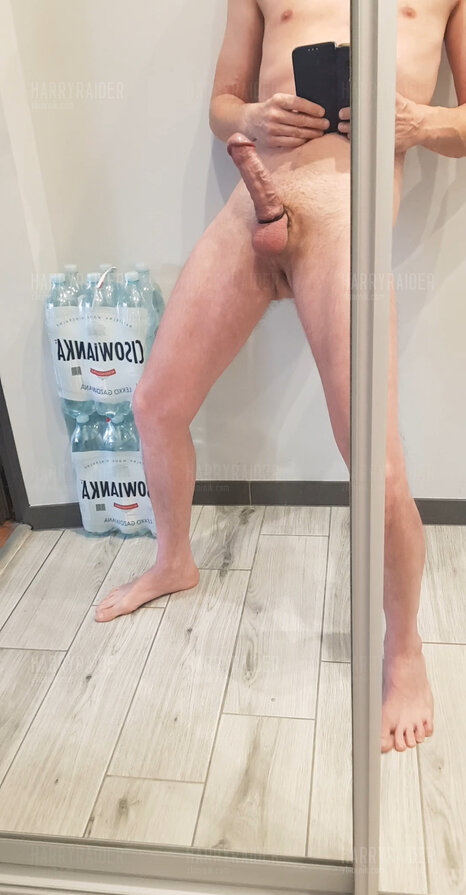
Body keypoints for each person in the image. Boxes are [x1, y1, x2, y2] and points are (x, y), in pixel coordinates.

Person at [96, 0, 466, 753]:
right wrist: (253, 117)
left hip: (346, 226)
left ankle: (404, 651)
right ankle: (173, 561)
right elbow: (220, 103)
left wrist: (419, 124)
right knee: (154, 403)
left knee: (379, 469)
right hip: (253, 205)